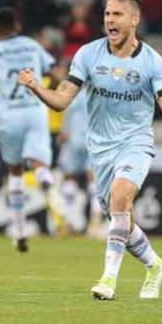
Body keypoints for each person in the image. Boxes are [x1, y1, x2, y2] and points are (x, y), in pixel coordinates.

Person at [17, 0, 162, 300]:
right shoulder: (87, 55)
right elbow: (62, 100)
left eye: (117, 14)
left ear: (134, 19)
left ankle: (108, 279)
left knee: (121, 197)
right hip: (100, 151)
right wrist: (36, 88)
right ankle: (155, 266)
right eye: (107, 14)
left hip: (136, 143)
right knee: (122, 218)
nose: (110, 20)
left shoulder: (153, 63)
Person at [0, 8, 57, 254]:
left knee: (15, 170)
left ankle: (20, 231)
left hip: (7, 115)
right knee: (38, 161)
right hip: (34, 110)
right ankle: (46, 179)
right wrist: (47, 93)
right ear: (17, 26)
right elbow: (55, 75)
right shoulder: (33, 46)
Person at [57, 92, 102, 237]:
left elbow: (67, 114)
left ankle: (68, 220)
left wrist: (63, 132)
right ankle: (95, 220)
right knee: (93, 179)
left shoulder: (72, 92)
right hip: (93, 140)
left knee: (70, 177)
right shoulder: (101, 93)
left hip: (75, 138)